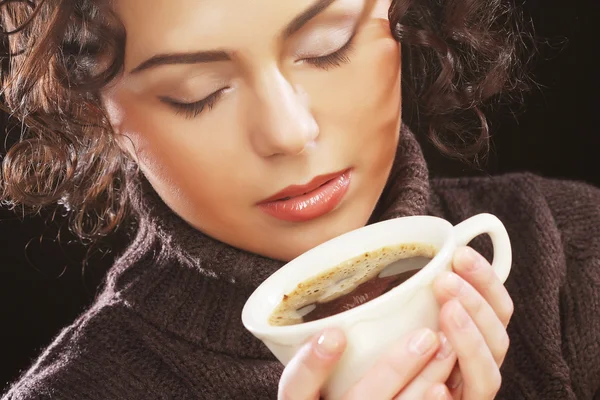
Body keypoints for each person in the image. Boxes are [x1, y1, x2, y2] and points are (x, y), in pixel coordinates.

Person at [1, 0, 598, 399]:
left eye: (326, 47)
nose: (289, 132)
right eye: (197, 93)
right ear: (94, 112)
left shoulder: (574, 255)